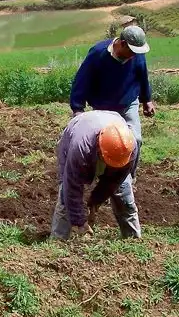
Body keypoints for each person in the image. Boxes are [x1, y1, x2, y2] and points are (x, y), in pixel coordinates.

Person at [69, 25, 155, 176]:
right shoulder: (98, 54)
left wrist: (146, 99)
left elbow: (143, 75)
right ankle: (100, 174)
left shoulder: (136, 53)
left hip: (128, 103)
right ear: (122, 43)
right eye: (132, 51)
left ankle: (128, 176)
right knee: (105, 143)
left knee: (135, 140)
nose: (135, 55)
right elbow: (82, 80)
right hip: (103, 108)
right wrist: (78, 109)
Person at [51, 110, 140, 240]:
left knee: (124, 194)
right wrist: (80, 222)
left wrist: (95, 201)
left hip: (111, 123)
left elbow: (115, 180)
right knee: (65, 195)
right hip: (78, 128)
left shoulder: (129, 147)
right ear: (99, 150)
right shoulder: (80, 147)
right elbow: (72, 187)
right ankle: (58, 241)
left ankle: (133, 240)